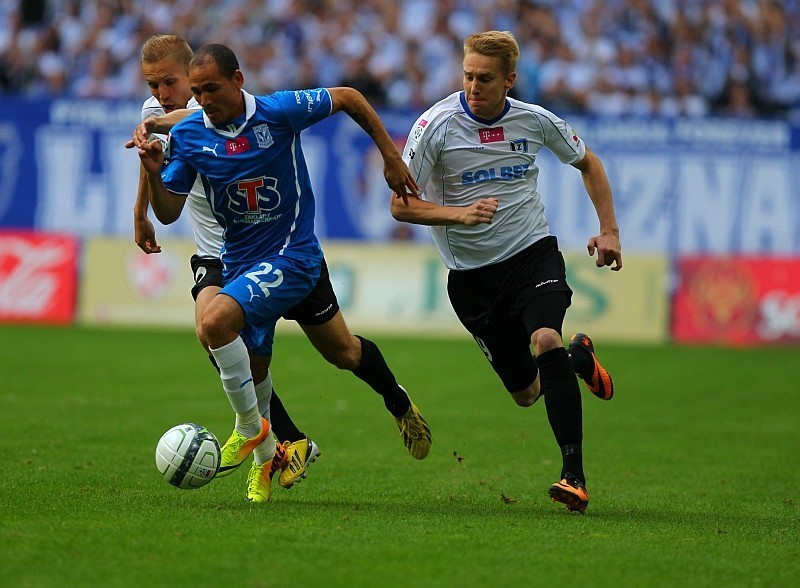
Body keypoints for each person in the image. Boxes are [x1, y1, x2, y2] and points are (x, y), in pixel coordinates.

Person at [132, 42, 431, 504]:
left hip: (294, 257)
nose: (203, 99)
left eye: (210, 89)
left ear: (238, 80)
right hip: (238, 262)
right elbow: (169, 212)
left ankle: (264, 429)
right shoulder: (190, 135)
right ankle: (274, 447)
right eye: (197, 91)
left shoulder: (277, 112)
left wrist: (392, 157)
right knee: (280, 355)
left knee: (233, 330)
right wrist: (153, 173)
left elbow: (349, 96)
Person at [390, 30, 621, 513]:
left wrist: (609, 229)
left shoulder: (535, 121)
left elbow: (589, 162)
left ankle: (573, 476)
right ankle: (579, 360)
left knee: (544, 340)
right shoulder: (435, 125)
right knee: (527, 392)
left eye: (486, 79)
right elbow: (400, 206)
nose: (474, 86)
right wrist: (460, 214)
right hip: (472, 279)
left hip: (532, 253)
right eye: (468, 76)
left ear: (510, 80)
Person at [134, 34, 311, 491]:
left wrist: (163, 122)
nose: (161, 94)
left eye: (169, 82)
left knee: (340, 350)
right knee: (217, 339)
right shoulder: (155, 113)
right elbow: (151, 161)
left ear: (192, 73)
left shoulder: (210, 110)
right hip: (211, 250)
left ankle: (269, 437)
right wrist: (140, 214)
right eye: (152, 86)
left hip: (257, 245)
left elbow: (182, 121)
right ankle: (274, 445)